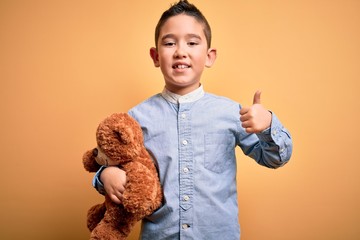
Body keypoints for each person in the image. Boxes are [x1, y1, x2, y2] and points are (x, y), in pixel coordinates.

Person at [92, 0, 293, 239]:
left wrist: (268, 125)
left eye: (192, 42)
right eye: (169, 43)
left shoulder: (231, 113)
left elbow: (275, 158)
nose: (180, 51)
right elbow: (110, 158)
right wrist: (104, 175)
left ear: (209, 56)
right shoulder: (137, 117)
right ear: (156, 56)